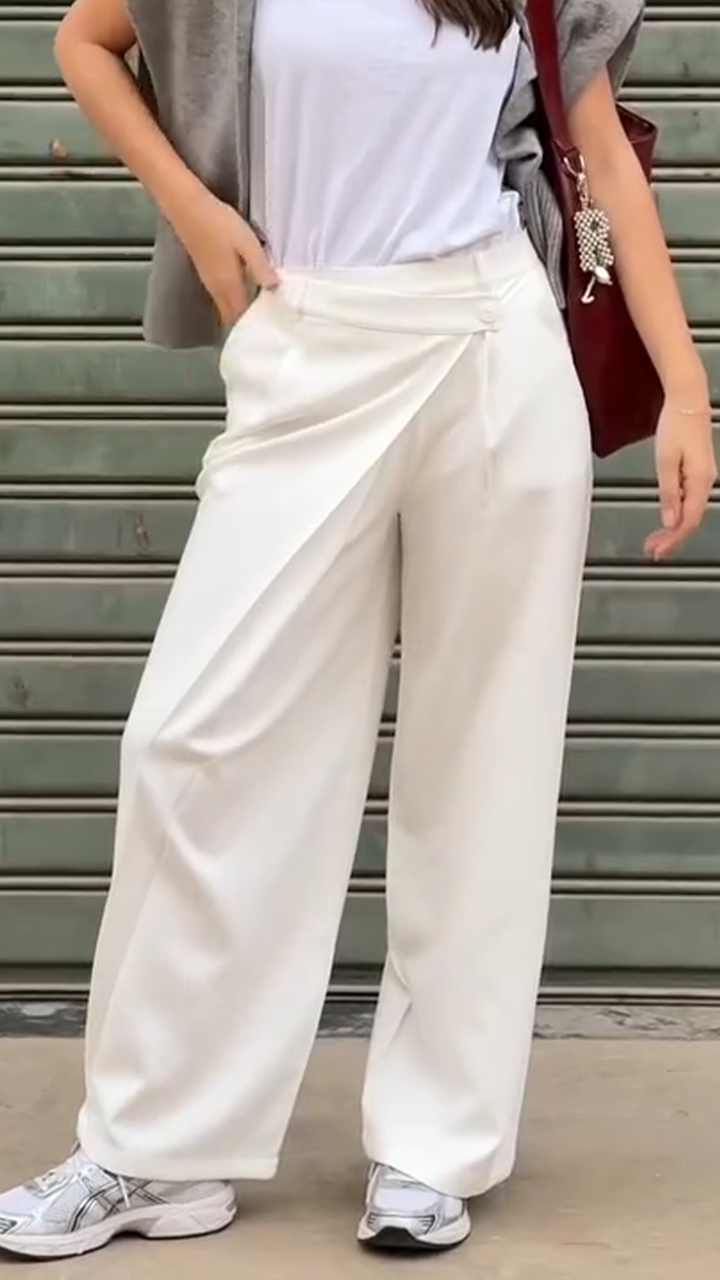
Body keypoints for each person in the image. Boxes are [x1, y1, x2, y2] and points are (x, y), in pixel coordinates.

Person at [0, 0, 715, 1261]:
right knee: (190, 741)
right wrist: (195, 207)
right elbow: (85, 43)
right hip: (309, 344)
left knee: (481, 763)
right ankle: (157, 1147)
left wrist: (686, 388)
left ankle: (435, 1146)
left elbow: (600, 151)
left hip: (491, 345)